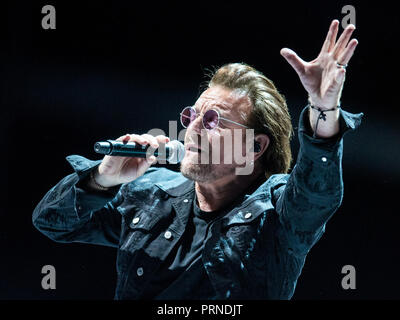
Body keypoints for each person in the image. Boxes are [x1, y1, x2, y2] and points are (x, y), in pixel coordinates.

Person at [33, 20, 363, 299]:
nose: (192, 128)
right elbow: (50, 222)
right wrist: (101, 180)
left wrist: (324, 110)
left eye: (212, 120)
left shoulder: (277, 211)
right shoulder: (148, 194)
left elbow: (316, 193)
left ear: (255, 146)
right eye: (192, 115)